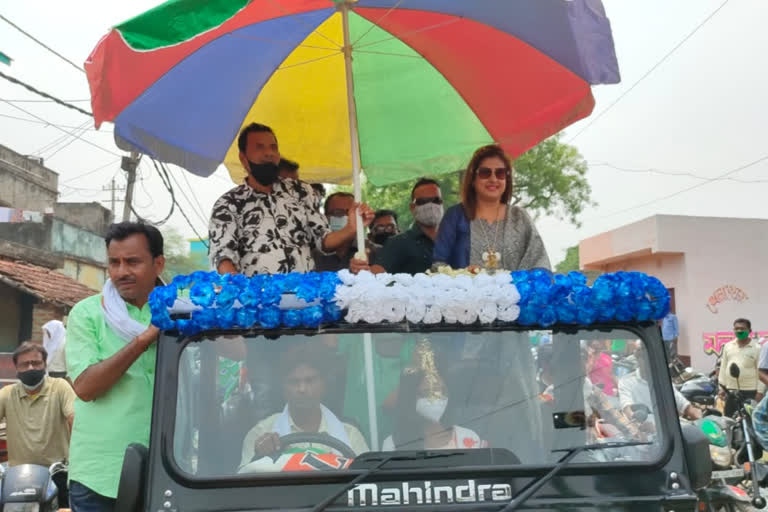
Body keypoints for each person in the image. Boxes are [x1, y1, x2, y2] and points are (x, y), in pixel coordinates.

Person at [66, 222, 164, 512]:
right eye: (114, 263)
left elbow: (232, 354)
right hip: (100, 477)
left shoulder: (179, 310)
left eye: (132, 262)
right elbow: (85, 387)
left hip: (170, 469)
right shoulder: (87, 314)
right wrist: (145, 338)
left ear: (158, 264)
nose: (122, 272)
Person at [209, 123, 373, 275]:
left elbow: (323, 241)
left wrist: (351, 227)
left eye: (273, 147)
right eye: (259, 147)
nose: (269, 153)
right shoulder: (228, 204)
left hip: (304, 298)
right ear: (243, 158)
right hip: (258, 302)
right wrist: (242, 296)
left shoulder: (301, 192)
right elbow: (223, 257)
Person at [240, 344, 369, 467]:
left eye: (310, 380)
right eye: (294, 382)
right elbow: (245, 486)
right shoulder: (261, 434)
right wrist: (261, 456)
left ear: (324, 384)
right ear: (283, 387)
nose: (302, 388)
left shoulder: (351, 435)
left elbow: (367, 482)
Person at [432, 145, 550, 272]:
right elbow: (438, 264)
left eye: (500, 173)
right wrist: (462, 274)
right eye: (485, 173)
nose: (493, 179)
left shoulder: (519, 217)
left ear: (507, 179)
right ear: (473, 179)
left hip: (514, 291)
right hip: (466, 291)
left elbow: (540, 262)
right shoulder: (455, 216)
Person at [0, 342, 75, 506]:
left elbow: (74, 420)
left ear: (45, 364)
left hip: (56, 472)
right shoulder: (7, 394)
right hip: (17, 477)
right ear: (16, 368)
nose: (30, 368)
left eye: (36, 363)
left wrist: (79, 456)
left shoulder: (60, 387)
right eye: (24, 364)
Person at [382, 363, 486, 451]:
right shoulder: (393, 444)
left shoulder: (467, 437)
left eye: (441, 391)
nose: (437, 399)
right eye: (427, 392)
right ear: (411, 398)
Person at [353, 178, 443, 275]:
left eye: (436, 200)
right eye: (422, 201)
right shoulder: (398, 243)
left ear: (442, 203)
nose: (430, 205)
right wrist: (361, 269)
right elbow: (375, 273)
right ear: (412, 208)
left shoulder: (456, 239)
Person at [618, 347, 702, 422]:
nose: (648, 361)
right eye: (643, 357)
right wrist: (637, 421)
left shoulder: (663, 381)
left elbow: (685, 406)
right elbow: (627, 410)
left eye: (652, 358)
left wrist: (699, 417)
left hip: (669, 430)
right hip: (646, 433)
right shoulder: (627, 382)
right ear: (637, 357)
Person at [313, 192, 367, 272]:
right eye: (338, 213)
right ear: (325, 217)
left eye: (351, 213)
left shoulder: (371, 251)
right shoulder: (311, 254)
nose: (346, 217)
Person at [719, 318, 760, 417]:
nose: (739, 331)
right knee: (729, 419)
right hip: (731, 390)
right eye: (736, 328)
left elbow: (761, 372)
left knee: (749, 421)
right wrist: (721, 387)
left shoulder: (757, 348)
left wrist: (760, 392)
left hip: (750, 391)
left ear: (749, 331)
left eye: (742, 328)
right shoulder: (728, 346)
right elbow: (723, 368)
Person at [661, 292, 679, 359]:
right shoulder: (663, 318)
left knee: (672, 355)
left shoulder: (673, 317)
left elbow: (676, 328)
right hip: (664, 339)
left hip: (671, 339)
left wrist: (675, 337)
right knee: (666, 355)